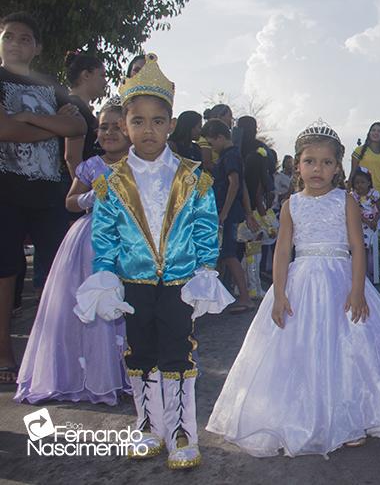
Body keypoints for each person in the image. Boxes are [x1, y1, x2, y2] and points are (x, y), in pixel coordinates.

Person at [207, 121, 380, 455]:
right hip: (301, 282)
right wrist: (278, 293)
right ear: (298, 164)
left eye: (327, 162)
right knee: (300, 351)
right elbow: (283, 251)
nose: (318, 168)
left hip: (341, 279)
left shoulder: (344, 200)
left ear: (337, 168)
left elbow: (357, 247)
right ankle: (302, 417)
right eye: (310, 161)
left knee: (348, 350)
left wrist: (358, 289)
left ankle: (350, 418)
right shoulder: (291, 205)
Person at [74, 54, 233, 468]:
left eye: (157, 121)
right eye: (138, 121)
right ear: (125, 125)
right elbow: (104, 235)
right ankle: (148, 425)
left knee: (179, 353)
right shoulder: (109, 180)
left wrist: (204, 270)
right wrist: (105, 275)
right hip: (135, 282)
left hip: (179, 280)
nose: (148, 130)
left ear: (171, 125)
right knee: (140, 351)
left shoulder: (194, 176)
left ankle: (182, 431)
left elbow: (204, 228)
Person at [15, 101, 131, 404]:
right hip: (90, 241)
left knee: (126, 305)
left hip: (131, 240)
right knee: (89, 306)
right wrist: (94, 195)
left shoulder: (140, 164)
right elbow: (70, 201)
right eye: (104, 126)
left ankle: (128, 372)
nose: (109, 132)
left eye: (117, 126)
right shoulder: (91, 166)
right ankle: (86, 374)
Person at [1, 12, 86, 384]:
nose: (16, 43)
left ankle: (47, 358)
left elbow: (79, 125)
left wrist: (25, 118)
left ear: (37, 47)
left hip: (49, 194)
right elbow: (5, 132)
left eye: (25, 38)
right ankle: (4, 353)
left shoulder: (49, 86)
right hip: (5, 192)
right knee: (5, 274)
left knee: (53, 276)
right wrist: (49, 125)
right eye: (8, 36)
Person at [201, 119, 254, 314]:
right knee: (224, 255)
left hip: (228, 213)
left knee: (229, 254)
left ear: (220, 137)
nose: (212, 147)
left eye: (212, 142)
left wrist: (223, 212)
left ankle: (245, 297)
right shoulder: (231, 155)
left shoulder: (230, 156)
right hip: (230, 212)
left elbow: (235, 184)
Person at [64, 51, 109, 177]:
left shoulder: (83, 109)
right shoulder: (73, 108)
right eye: (102, 76)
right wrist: (80, 190)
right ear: (86, 75)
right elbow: (72, 156)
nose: (105, 82)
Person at [351, 167, 380, 276]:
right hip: (361, 223)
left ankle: (378, 271)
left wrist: (375, 220)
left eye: (362, 182)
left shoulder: (374, 194)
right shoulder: (353, 196)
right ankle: (363, 271)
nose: (359, 185)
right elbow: (356, 213)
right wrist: (367, 222)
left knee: (377, 246)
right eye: (357, 183)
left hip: (375, 221)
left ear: (369, 182)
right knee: (363, 247)